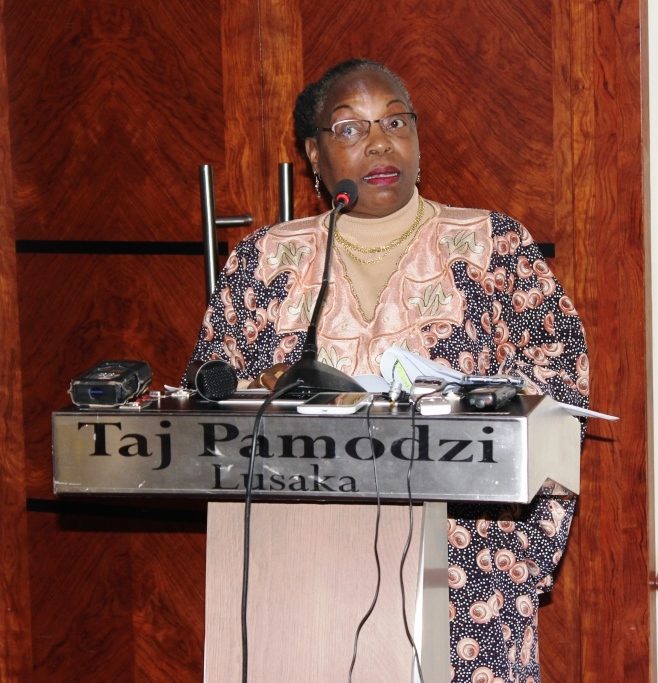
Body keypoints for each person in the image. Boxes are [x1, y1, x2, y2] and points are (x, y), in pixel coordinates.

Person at [186, 58, 589, 683]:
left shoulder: (495, 247)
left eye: (396, 122)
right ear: (314, 155)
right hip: (299, 579)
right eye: (350, 128)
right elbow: (209, 404)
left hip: (467, 577)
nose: (380, 143)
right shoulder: (262, 262)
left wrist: (520, 558)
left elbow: (560, 393)